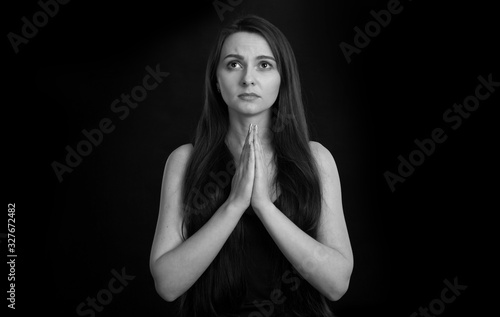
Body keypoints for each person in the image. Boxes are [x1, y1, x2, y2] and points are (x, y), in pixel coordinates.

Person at [150, 15, 353, 317]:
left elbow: (336, 284)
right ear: (216, 81)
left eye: (264, 65)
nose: (247, 78)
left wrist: (263, 206)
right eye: (233, 64)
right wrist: (233, 205)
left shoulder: (316, 159)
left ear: (283, 79)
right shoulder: (185, 161)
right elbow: (167, 285)